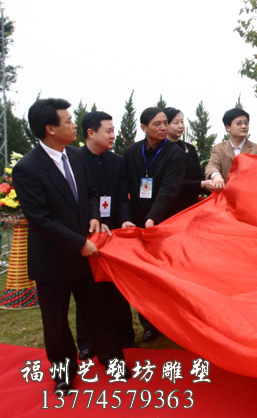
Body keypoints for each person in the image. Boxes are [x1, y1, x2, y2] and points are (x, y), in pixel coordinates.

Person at [13, 98, 126, 394]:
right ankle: (63, 374)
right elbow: (40, 219)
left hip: (85, 254)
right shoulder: (27, 168)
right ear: (50, 129)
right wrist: (78, 243)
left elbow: (90, 193)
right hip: (52, 260)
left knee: (97, 312)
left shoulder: (75, 156)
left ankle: (113, 361)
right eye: (68, 120)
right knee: (55, 323)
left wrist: (94, 216)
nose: (74, 125)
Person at [75, 111, 136, 360]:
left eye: (113, 130)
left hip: (113, 231)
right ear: (91, 133)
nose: (113, 135)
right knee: (87, 288)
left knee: (115, 285)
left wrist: (124, 219)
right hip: (86, 232)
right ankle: (87, 342)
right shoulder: (75, 159)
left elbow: (122, 195)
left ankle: (124, 336)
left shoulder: (116, 161)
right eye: (108, 131)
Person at [123, 107, 184, 341]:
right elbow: (124, 187)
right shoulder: (131, 152)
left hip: (165, 222)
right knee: (143, 276)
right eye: (157, 124)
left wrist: (153, 218)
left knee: (168, 274)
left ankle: (173, 322)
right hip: (137, 222)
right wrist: (129, 218)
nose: (163, 128)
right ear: (144, 127)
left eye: (165, 123)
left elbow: (170, 188)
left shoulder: (175, 152)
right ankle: (149, 322)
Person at [164, 107, 214, 213]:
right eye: (176, 123)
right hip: (168, 207)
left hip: (190, 206)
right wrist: (200, 184)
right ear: (165, 125)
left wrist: (210, 186)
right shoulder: (160, 149)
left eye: (182, 122)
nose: (181, 126)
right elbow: (170, 182)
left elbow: (198, 176)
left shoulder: (189, 148)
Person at [205, 107, 257, 191]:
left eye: (246, 123)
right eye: (239, 123)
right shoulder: (219, 148)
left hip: (248, 194)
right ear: (228, 128)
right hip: (224, 194)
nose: (244, 126)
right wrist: (216, 175)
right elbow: (212, 166)